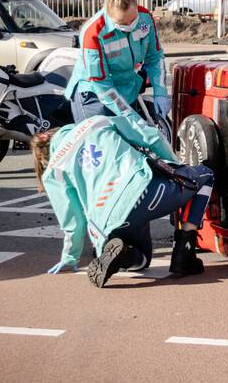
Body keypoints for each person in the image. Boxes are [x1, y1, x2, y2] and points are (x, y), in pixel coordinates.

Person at [32, 113, 214, 288]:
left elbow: (74, 222)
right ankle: (184, 253)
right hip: (143, 192)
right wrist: (175, 167)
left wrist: (70, 258)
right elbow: (152, 138)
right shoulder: (97, 123)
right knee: (205, 175)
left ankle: (125, 255)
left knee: (142, 260)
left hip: (107, 223)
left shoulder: (53, 172)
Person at [64, 0, 168, 125]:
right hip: (94, 94)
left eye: (133, 19)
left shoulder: (145, 18)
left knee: (133, 135)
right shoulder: (93, 33)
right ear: (109, 15)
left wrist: (160, 92)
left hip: (126, 88)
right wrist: (129, 114)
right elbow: (101, 82)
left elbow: (155, 57)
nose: (130, 25)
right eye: (123, 23)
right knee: (103, 136)